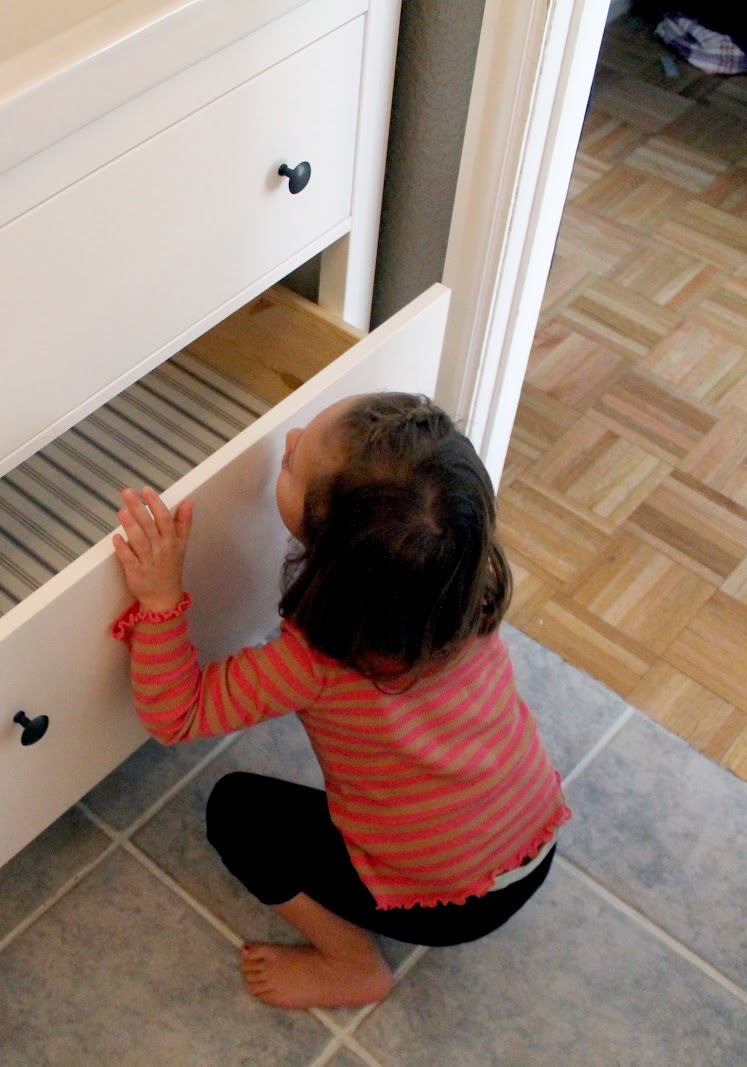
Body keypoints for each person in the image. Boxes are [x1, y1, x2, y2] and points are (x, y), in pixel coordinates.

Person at [109, 391, 569, 1010]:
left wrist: (162, 602)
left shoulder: (312, 663)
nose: (290, 436)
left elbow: (176, 713)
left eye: (295, 464)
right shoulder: (464, 592)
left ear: (332, 549)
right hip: (534, 843)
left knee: (236, 812)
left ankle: (350, 965)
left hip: (456, 908)